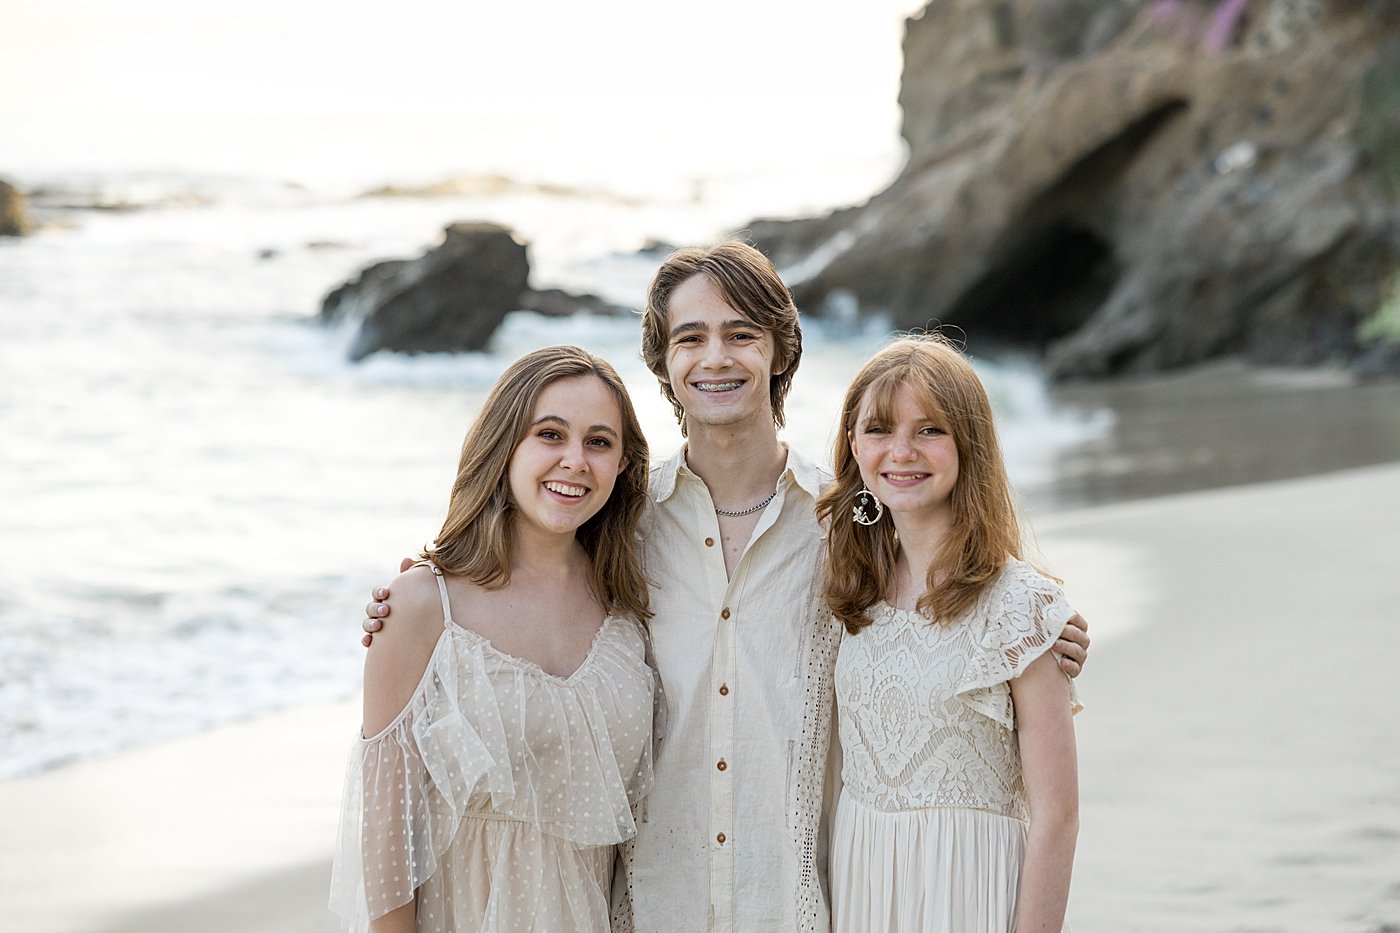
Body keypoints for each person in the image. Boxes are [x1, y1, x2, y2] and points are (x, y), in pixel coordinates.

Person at [363, 242, 1092, 932]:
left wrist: (1042, 633)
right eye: (691, 337)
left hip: (802, 907)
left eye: (741, 334)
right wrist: (422, 595)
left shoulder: (850, 525)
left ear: (780, 352)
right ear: (665, 361)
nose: (717, 357)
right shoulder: (620, 525)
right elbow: (523, 578)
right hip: (652, 906)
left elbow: (947, 593)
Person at [329, 345, 660, 933]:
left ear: (624, 465)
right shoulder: (422, 606)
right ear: (505, 444)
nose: (575, 461)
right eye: (550, 434)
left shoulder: (630, 606)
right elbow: (385, 839)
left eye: (599, 442)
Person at [817, 334, 1080, 932]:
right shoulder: (844, 590)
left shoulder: (1020, 606)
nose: (901, 451)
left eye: (929, 429)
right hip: (865, 888)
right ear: (853, 447)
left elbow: (1058, 815)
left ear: (969, 444)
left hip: (968, 889)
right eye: (879, 429)